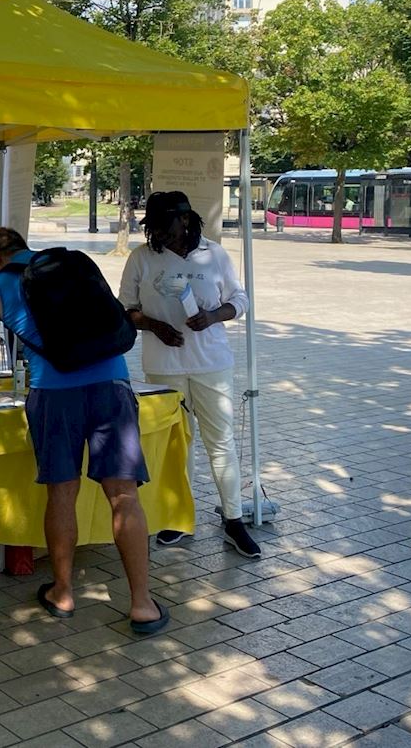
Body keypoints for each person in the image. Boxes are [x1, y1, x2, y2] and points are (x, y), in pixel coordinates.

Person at [0, 228, 167, 635]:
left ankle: (64, 591)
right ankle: (142, 604)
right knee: (123, 494)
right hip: (113, 384)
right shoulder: (70, 265)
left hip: (55, 394)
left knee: (62, 492)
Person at [117, 191, 260, 559]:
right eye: (153, 228)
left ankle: (233, 519)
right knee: (176, 446)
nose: (159, 235)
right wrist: (152, 325)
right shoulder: (141, 258)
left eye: (165, 227)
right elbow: (125, 309)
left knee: (220, 442)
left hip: (211, 362)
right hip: (163, 367)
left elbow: (240, 299)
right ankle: (177, 518)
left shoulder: (214, 254)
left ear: (185, 220)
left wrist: (214, 316)